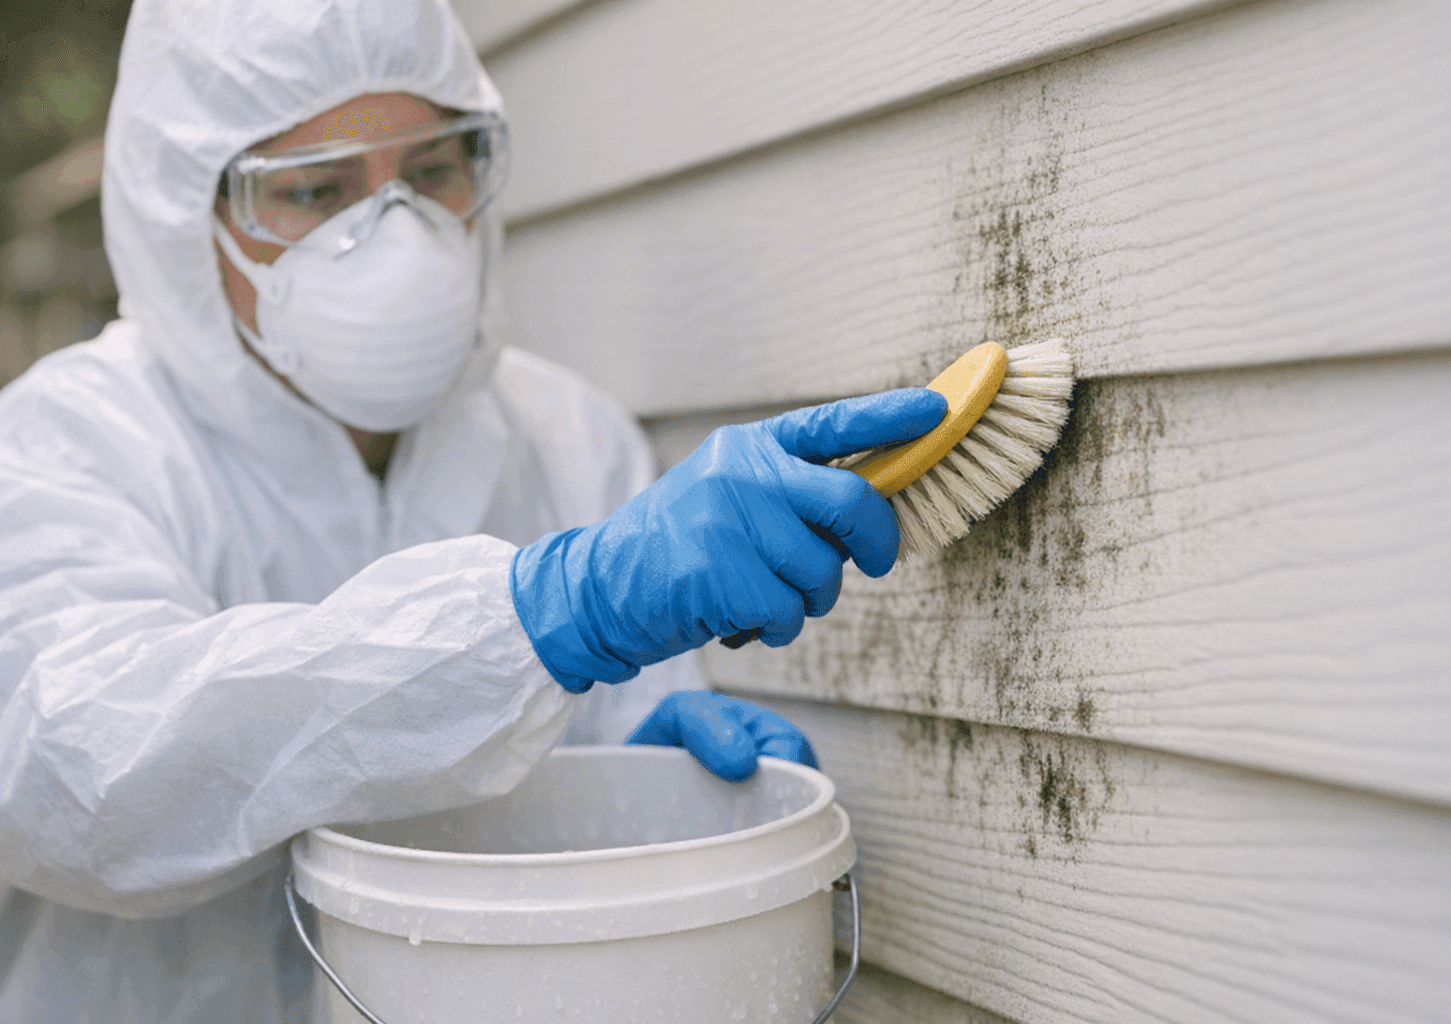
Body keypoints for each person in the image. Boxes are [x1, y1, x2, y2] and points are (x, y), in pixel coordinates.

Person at [0, 0, 946, 1020]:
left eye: (434, 168)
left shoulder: (566, 434)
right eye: (316, 189)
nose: (395, 230)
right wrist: (540, 614)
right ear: (184, 213)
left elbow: (607, 739)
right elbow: (79, 778)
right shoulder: (64, 442)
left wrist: (640, 767)